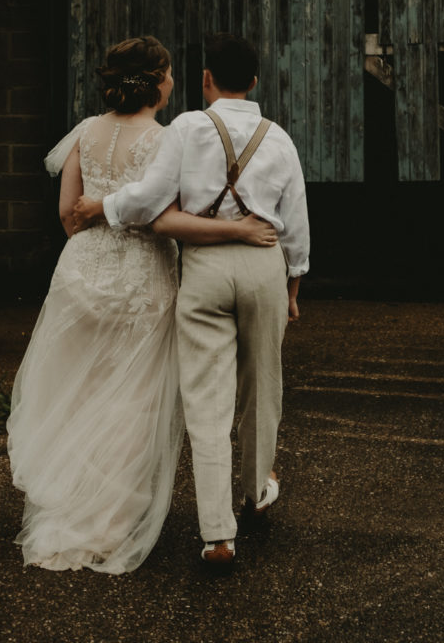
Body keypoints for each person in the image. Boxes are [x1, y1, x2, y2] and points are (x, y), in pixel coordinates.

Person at [7, 36, 278, 574]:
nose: (176, 80)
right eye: (170, 73)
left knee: (79, 388)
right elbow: (163, 221)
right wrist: (237, 231)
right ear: (157, 82)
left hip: (81, 275)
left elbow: (68, 214)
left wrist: (98, 228)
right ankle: (107, 517)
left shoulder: (86, 132)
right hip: (140, 278)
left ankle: (67, 500)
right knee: (131, 398)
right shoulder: (164, 140)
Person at [73, 32, 310, 570]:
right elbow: (297, 225)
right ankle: (255, 492)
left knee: (206, 400)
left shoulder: (187, 126)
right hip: (264, 264)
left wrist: (101, 205)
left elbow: (149, 198)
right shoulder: (280, 138)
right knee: (263, 386)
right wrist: (293, 288)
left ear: (206, 80)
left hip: (203, 266)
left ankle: (217, 534)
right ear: (254, 81)